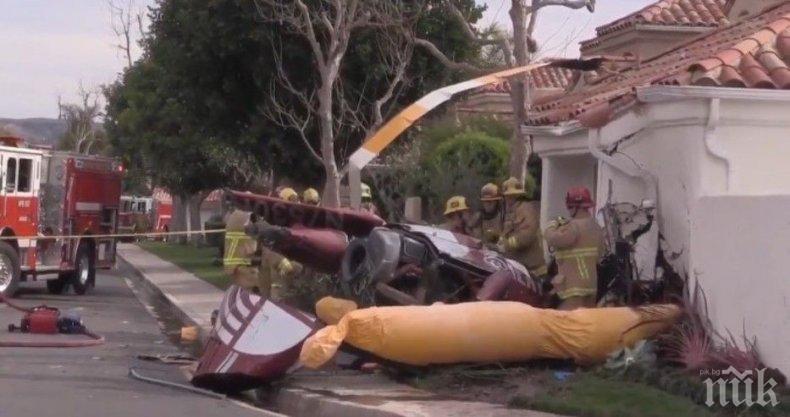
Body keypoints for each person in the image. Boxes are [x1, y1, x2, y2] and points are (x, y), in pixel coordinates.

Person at [544, 186, 606, 310]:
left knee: (567, 325)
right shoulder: (596, 227)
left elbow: (553, 239)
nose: (569, 210)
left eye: (569, 207)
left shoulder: (573, 227)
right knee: (586, 324)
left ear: (575, 207)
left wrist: (551, 225)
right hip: (591, 287)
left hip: (572, 289)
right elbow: (599, 256)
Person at [497, 177, 547, 278]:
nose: (508, 199)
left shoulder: (525, 209)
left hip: (533, 270)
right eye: (506, 196)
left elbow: (527, 235)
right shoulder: (510, 211)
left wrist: (507, 244)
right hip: (518, 267)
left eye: (510, 196)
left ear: (517, 195)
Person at [223, 208, 259, 291]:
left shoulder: (234, 216)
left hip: (234, 262)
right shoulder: (246, 218)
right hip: (243, 261)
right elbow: (251, 247)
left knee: (240, 289)